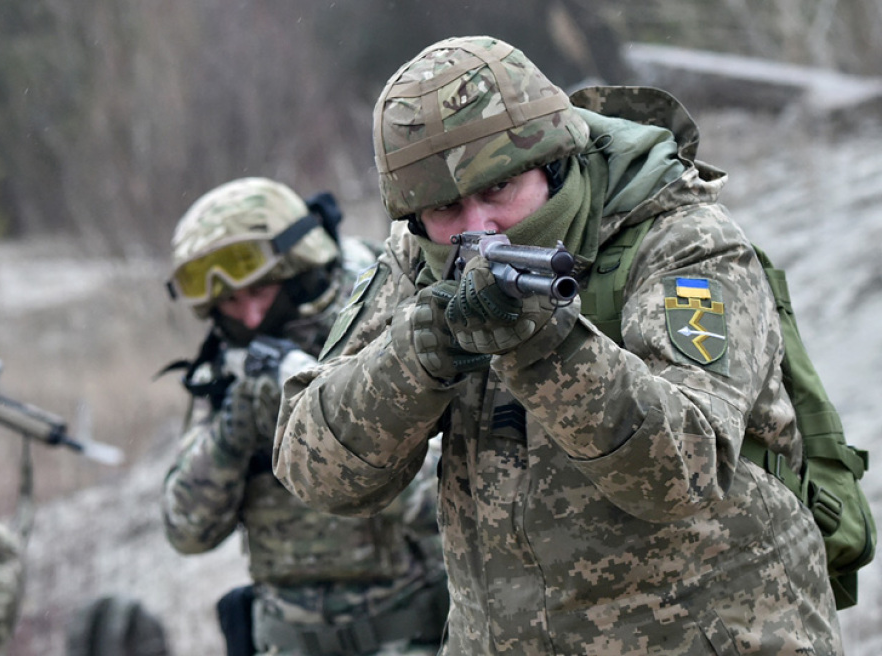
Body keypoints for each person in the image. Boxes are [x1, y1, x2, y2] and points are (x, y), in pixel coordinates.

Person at [273, 36, 844, 654]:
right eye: (444, 209)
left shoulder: (684, 243)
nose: (479, 230)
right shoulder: (418, 261)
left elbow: (686, 471)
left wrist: (546, 349)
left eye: (499, 191)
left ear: (555, 163)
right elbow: (312, 469)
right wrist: (416, 359)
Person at [161, 177, 447, 656]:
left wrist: (326, 417)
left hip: (410, 634)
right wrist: (231, 436)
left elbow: (445, 503)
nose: (250, 317)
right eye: (231, 302)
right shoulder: (230, 368)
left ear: (299, 272)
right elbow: (187, 532)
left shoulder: (383, 316)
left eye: (260, 292)